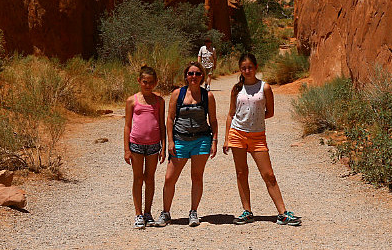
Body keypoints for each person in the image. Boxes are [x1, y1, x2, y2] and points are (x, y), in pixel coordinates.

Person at [222, 53, 301, 226]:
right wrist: (227, 138)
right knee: (241, 173)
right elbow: (230, 114)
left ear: (256, 67)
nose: (247, 70)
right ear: (240, 69)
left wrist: (253, 120)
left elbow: (270, 112)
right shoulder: (236, 89)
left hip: (257, 136)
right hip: (237, 134)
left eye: (250, 67)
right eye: (244, 68)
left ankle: (282, 212)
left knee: (268, 174)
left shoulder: (264, 88)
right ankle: (247, 211)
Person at [156, 62, 218, 227]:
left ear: (202, 76)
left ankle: (193, 212)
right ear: (186, 76)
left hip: (201, 140)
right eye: (191, 73)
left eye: (198, 74)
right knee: (170, 178)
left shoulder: (208, 96)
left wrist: (214, 140)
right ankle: (165, 212)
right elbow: (170, 119)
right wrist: (170, 141)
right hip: (180, 140)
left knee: (196, 177)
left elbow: (213, 120)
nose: (194, 77)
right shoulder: (178, 94)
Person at [124, 65, 166, 229]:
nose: (147, 85)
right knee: (138, 178)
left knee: (150, 178)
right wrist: (126, 149)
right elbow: (127, 126)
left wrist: (163, 146)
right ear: (139, 81)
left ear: (155, 83)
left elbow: (162, 124)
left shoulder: (159, 101)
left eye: (150, 82)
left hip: (154, 145)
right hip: (136, 145)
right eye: (144, 82)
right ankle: (138, 214)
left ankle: (148, 213)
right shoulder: (132, 100)